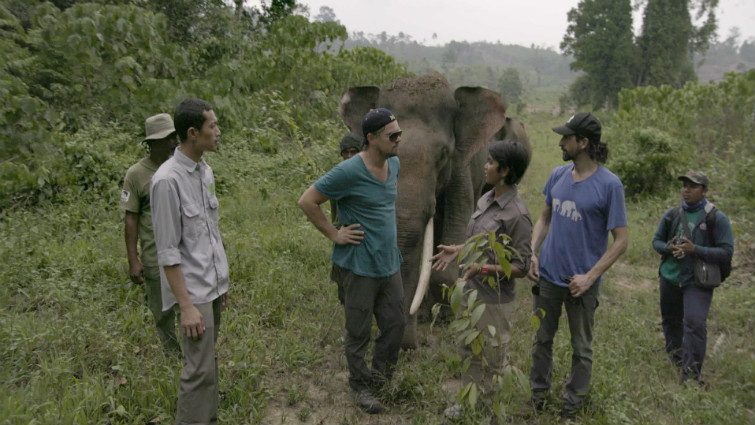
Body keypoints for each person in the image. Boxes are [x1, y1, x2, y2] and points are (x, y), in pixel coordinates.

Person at [298, 108, 406, 415]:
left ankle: (381, 380)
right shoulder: (348, 171)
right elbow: (307, 200)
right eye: (392, 136)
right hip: (359, 265)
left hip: (389, 263)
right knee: (358, 331)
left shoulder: (394, 165)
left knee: (396, 323)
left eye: (400, 134)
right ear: (371, 138)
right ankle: (360, 386)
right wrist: (334, 233)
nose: (399, 140)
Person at [527, 112, 628, 420]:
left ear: (583, 143)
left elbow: (622, 240)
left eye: (567, 138)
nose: (561, 142)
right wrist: (533, 252)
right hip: (548, 276)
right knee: (542, 339)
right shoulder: (558, 175)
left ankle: (571, 406)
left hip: (580, 283)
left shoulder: (609, 185)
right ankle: (538, 396)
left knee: (581, 347)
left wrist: (590, 276)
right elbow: (545, 217)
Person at [431, 139, 532, 417]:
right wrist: (459, 250)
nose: (485, 166)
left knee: (493, 357)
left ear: (505, 171)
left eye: (490, 162)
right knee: (470, 350)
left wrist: (483, 270)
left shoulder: (517, 215)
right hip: (473, 293)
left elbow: (521, 267)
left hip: (494, 300)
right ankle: (468, 404)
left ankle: (490, 411)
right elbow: (483, 244)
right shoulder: (487, 199)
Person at [151, 98, 230, 425]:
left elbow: (209, 233)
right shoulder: (167, 180)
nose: (218, 131)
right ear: (193, 133)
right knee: (197, 371)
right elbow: (168, 251)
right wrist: (185, 306)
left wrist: (221, 282)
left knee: (208, 364)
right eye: (212, 126)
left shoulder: (204, 171)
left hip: (210, 287)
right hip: (193, 294)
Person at [651, 171, 733, 385]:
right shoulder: (673, 214)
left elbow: (726, 252)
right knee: (671, 321)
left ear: (704, 191)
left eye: (692, 186)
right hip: (670, 277)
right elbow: (657, 241)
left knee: (695, 324)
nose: (686, 190)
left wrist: (694, 249)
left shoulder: (716, 218)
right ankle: (677, 361)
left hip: (698, 280)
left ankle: (691, 376)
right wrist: (670, 248)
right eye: (684, 185)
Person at [121, 113, 179, 354]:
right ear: (152, 143)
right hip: (155, 256)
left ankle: (192, 355)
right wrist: (134, 260)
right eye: (167, 139)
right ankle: (172, 355)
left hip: (183, 251)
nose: (173, 143)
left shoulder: (180, 166)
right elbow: (131, 218)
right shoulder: (136, 175)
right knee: (162, 311)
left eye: (174, 137)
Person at [330, 132, 364, 305]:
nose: (350, 156)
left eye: (354, 151)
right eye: (346, 152)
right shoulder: (338, 175)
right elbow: (334, 210)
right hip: (345, 232)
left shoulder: (370, 173)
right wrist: (336, 232)